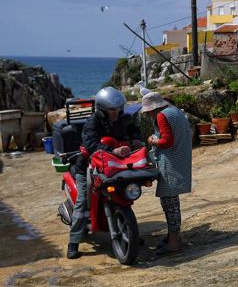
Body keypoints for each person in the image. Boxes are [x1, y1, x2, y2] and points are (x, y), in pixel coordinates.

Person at [67, 87, 143, 259]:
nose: (115, 113)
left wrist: (137, 139)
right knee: (81, 203)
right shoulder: (92, 122)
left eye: (117, 109)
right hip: (87, 166)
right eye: (111, 110)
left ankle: (130, 231)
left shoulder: (125, 119)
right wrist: (112, 150)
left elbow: (134, 131)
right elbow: (90, 143)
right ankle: (73, 243)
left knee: (124, 192)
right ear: (102, 109)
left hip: (113, 165)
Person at [140, 92, 192, 255]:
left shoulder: (161, 116)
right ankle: (172, 237)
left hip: (170, 163)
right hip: (181, 158)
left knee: (169, 204)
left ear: (153, 108)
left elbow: (167, 141)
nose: (148, 115)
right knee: (173, 203)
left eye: (148, 112)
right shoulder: (175, 110)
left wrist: (153, 141)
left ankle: (174, 242)